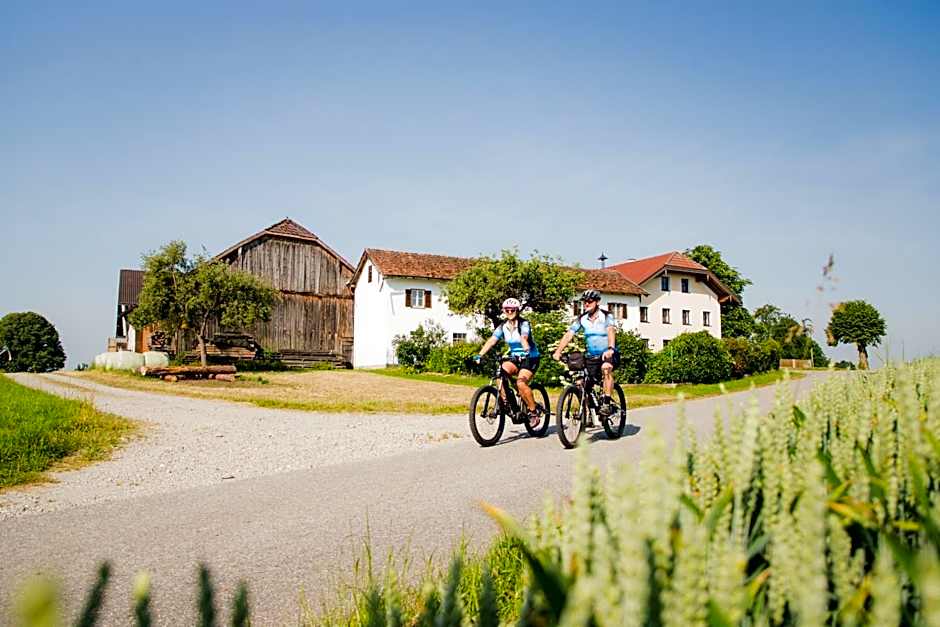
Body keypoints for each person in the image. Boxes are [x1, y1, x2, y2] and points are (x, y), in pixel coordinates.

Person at [552, 289, 620, 416]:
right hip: (592, 355)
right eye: (585, 302)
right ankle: (587, 413)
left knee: (606, 368)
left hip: (608, 353)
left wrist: (611, 348)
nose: (587, 304)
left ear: (597, 302)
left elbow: (611, 331)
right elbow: (569, 335)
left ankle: (606, 402)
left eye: (590, 301)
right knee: (581, 383)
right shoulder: (582, 319)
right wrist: (558, 351)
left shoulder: (606, 316)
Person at [474, 298, 541, 426]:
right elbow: (492, 340)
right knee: (500, 373)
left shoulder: (524, 324)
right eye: (507, 310)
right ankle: (506, 402)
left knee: (521, 383)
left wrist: (525, 347)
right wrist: (480, 354)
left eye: (513, 310)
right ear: (504, 311)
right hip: (514, 357)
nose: (510, 311)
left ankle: (533, 412)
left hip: (530, 357)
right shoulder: (502, 326)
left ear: (517, 310)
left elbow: (524, 337)